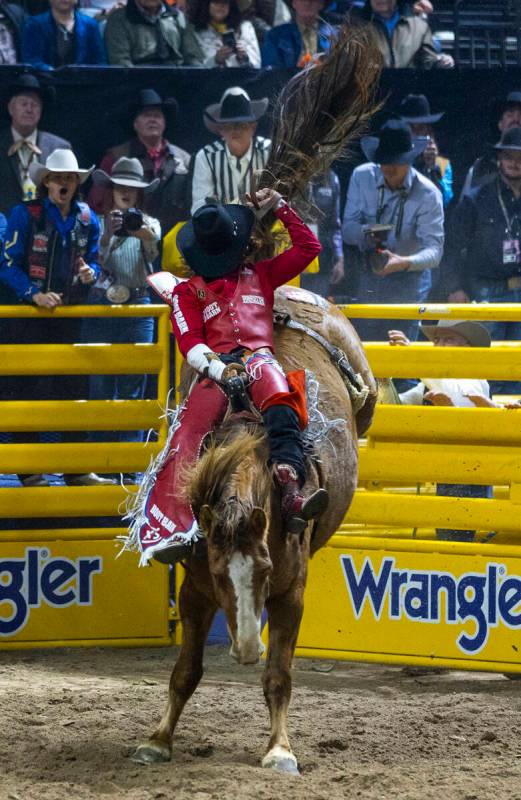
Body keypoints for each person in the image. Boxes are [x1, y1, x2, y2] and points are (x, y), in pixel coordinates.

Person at [134, 188, 327, 564]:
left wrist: (280, 206)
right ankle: (175, 526)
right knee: (190, 430)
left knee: (280, 398)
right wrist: (222, 370)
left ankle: (291, 491)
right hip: (218, 368)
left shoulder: (262, 274)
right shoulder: (187, 293)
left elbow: (309, 248)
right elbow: (190, 343)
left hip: (258, 360)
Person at [0, 148, 114, 488]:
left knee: (74, 388)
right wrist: (32, 294)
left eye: (69, 178)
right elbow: (6, 263)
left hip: (68, 315)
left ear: (76, 183)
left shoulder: (87, 217)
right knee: (26, 390)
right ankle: (29, 469)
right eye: (58, 178)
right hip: (27, 318)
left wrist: (89, 272)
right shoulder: (25, 215)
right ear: (46, 182)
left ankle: (76, 468)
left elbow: (93, 260)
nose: (64, 183)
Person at [82, 157, 160, 468]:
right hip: (102, 303)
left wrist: (137, 229)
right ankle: (96, 460)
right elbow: (93, 257)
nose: (127, 191)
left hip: (138, 304)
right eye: (121, 186)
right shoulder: (96, 222)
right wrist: (108, 234)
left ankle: (129, 463)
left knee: (133, 384)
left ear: (140, 192)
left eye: (133, 188)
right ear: (112, 189)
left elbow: (154, 243)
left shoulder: (149, 222)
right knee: (99, 383)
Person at [388, 319, 493, 542]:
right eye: (437, 340)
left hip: (469, 473)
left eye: (448, 339)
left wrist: (415, 359)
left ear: (466, 348)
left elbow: (458, 402)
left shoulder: (472, 377)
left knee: (459, 535)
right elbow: (396, 407)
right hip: (449, 472)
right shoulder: (433, 380)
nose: (439, 345)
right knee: (451, 536)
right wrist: (385, 381)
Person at [342, 119, 444, 342]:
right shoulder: (361, 177)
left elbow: (435, 252)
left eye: (396, 162)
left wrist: (403, 261)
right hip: (369, 276)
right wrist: (370, 233)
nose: (388, 167)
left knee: (403, 357)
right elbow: (348, 229)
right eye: (383, 161)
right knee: (367, 356)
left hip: (410, 283)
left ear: (409, 160)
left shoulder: (429, 194)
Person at [440, 127, 521, 394]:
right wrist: (454, 287)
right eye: (508, 156)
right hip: (486, 291)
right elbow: (451, 246)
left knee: (518, 369)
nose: (514, 162)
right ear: (499, 159)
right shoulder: (477, 198)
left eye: (519, 156)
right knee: (488, 369)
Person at [88, 88, 191, 237]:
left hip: (175, 240)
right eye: (146, 115)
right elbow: (96, 204)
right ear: (135, 123)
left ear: (164, 122)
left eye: (157, 115)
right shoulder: (116, 156)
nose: (153, 119)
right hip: (129, 241)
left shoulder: (184, 159)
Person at [0, 73, 71, 216]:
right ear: (10, 108)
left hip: (48, 227)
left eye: (34, 104)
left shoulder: (60, 148)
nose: (29, 109)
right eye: (24, 104)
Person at [191, 87, 271, 212]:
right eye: (230, 125)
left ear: (253, 128)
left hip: (263, 226)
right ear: (221, 130)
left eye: (242, 125)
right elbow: (199, 206)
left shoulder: (269, 151)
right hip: (221, 227)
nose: (236, 130)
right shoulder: (206, 157)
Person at [349, 0, 453, 69]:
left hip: (408, 93)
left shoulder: (419, 27)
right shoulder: (356, 26)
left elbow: (428, 61)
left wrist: (441, 62)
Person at [461, 90, 521, 199]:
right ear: (500, 124)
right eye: (510, 114)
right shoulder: (479, 167)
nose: (516, 120)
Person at [398, 93, 453, 207]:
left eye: (421, 128)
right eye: (411, 128)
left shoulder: (442, 165)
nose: (416, 133)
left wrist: (431, 168)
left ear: (428, 131)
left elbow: (442, 203)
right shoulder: (389, 159)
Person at [21, 0, 107, 67]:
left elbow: (99, 61)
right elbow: (31, 60)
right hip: (45, 82)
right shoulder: (35, 24)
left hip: (82, 83)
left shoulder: (90, 25)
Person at [300, 169, 343, 298]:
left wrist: (340, 258)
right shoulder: (291, 174)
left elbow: (335, 224)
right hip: (292, 257)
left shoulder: (331, 178)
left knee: (318, 308)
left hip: (322, 258)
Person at [104, 0, 185, 65]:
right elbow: (121, 63)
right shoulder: (118, 20)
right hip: (138, 79)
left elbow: (192, 56)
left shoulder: (178, 17)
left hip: (177, 77)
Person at [182, 0, 261, 67]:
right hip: (209, 83)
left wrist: (243, 58)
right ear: (205, 4)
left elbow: (257, 66)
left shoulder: (245, 28)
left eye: (225, 2)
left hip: (243, 81)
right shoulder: (193, 31)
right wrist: (215, 60)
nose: (221, 6)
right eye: (216, 1)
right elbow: (193, 68)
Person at [261, 0, 336, 68]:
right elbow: (271, 74)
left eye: (313, 0)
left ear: (321, 4)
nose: (307, 3)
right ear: (294, 3)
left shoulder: (335, 36)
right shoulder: (276, 36)